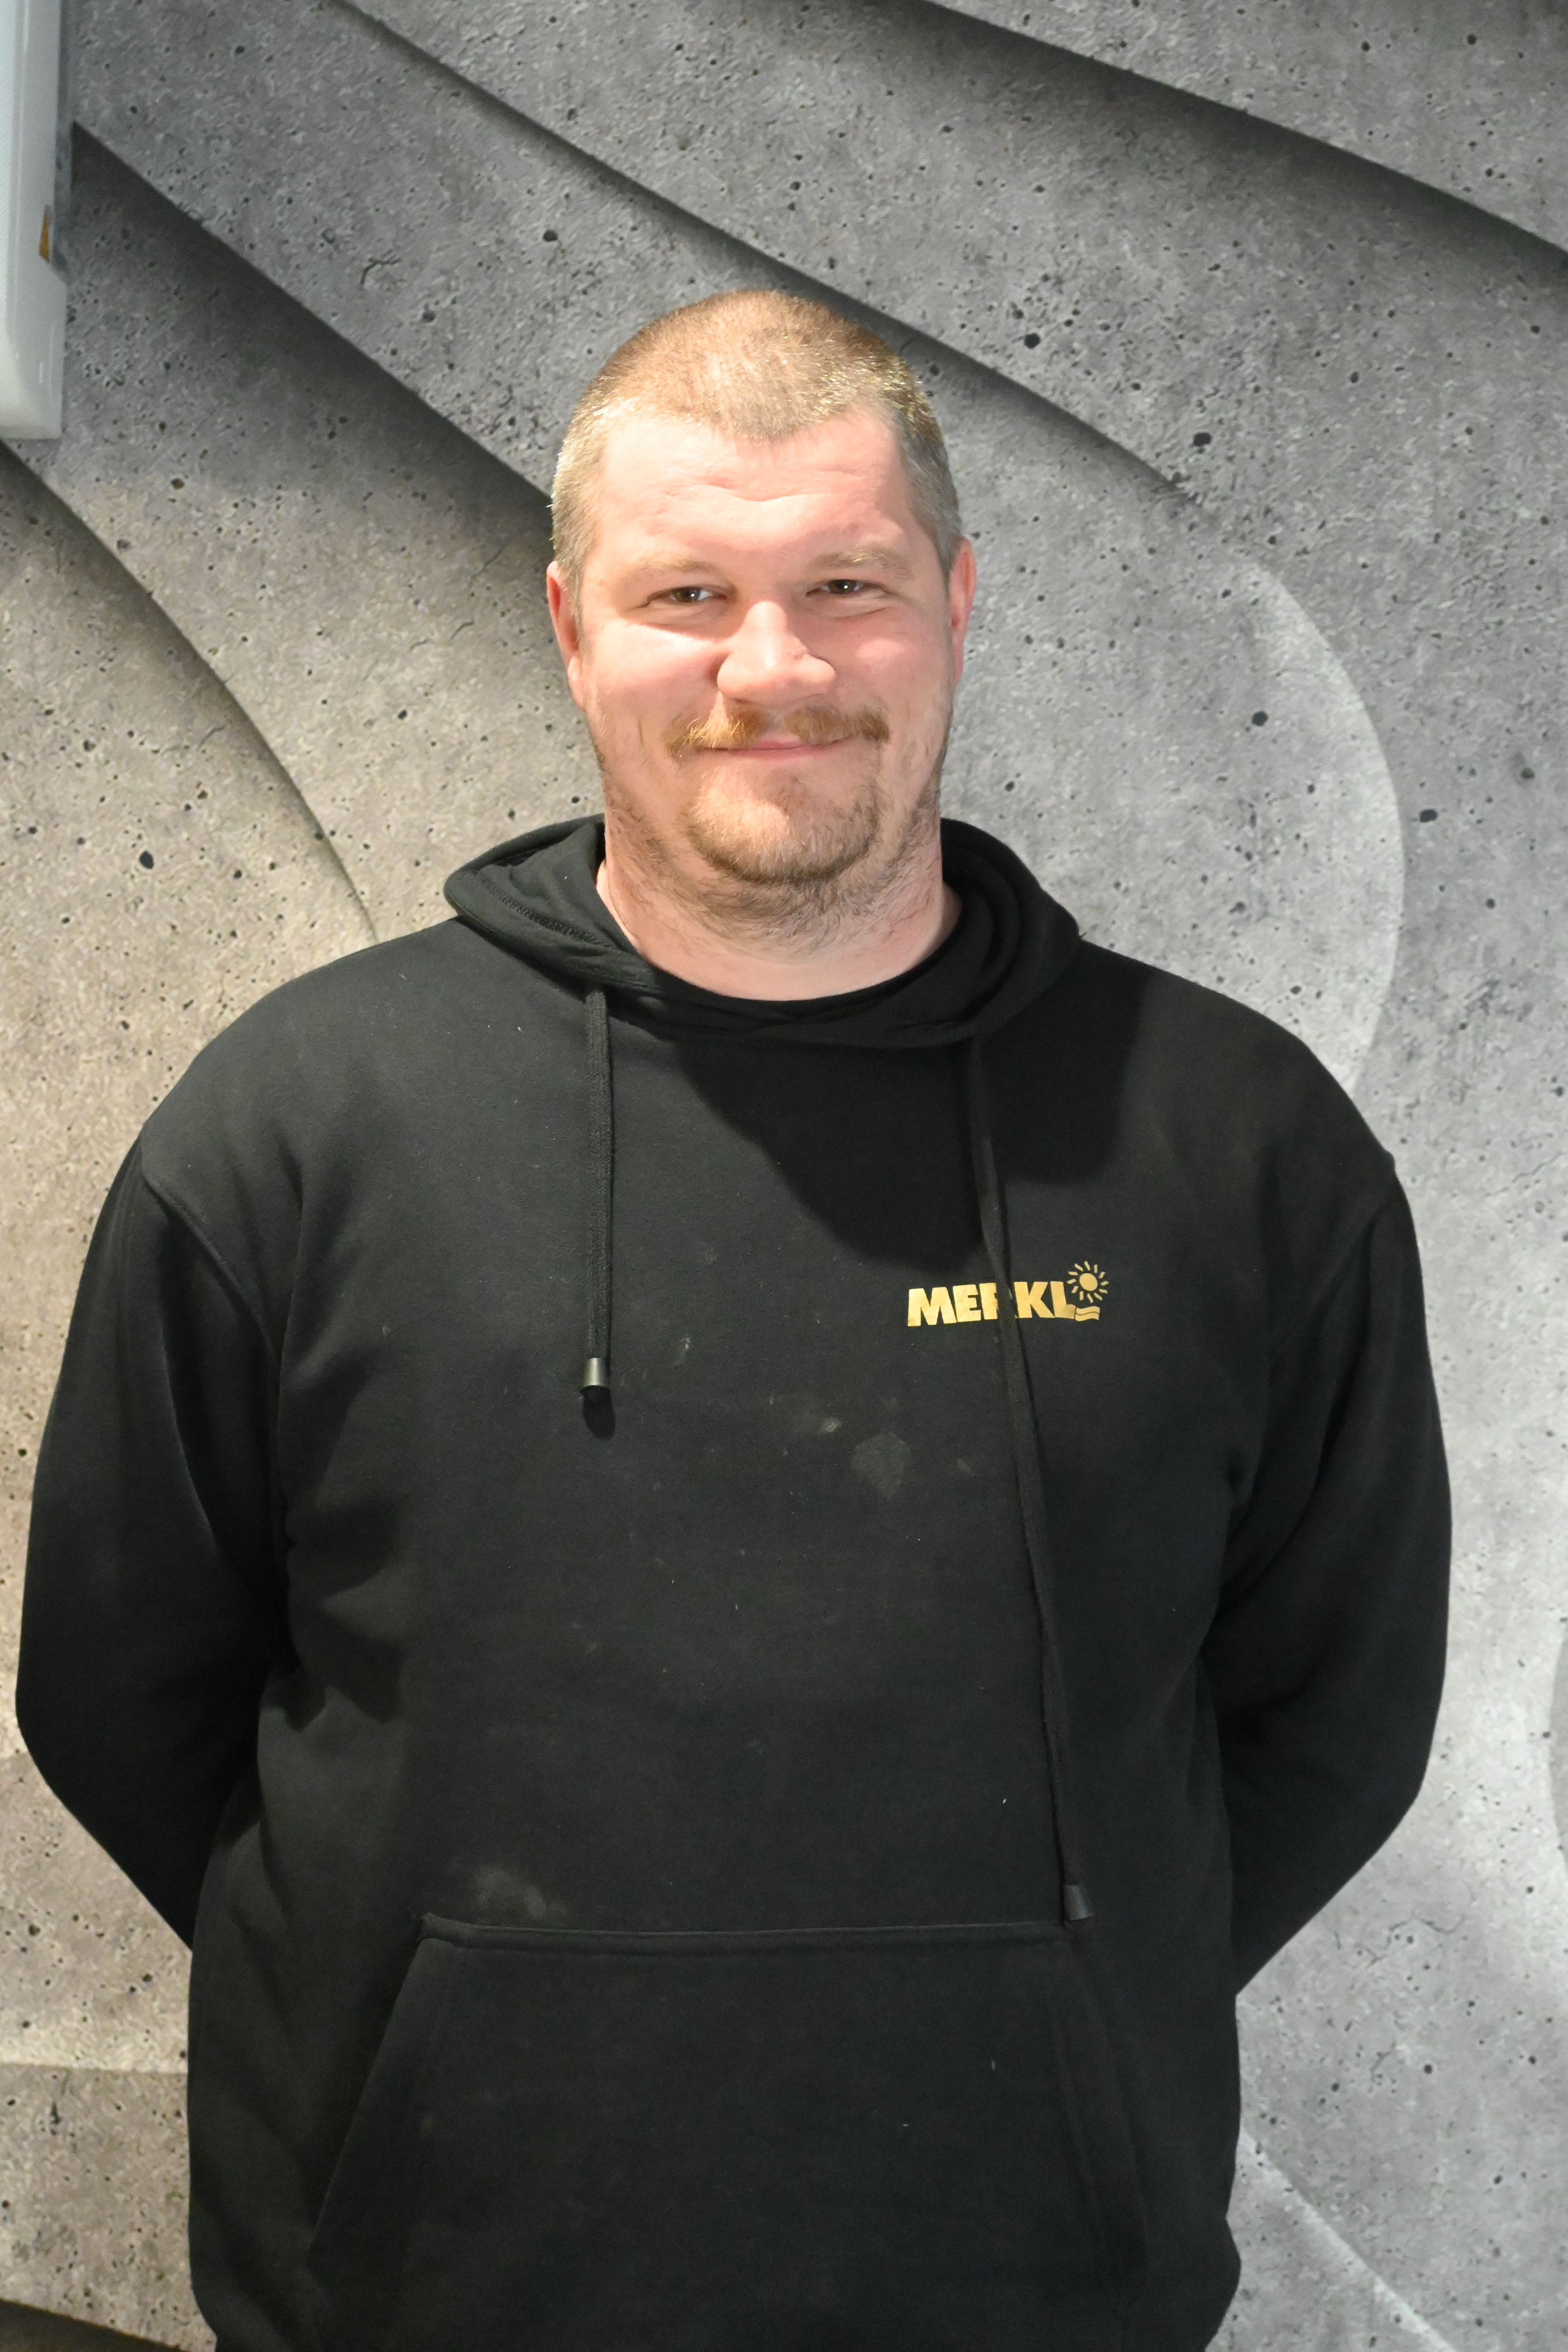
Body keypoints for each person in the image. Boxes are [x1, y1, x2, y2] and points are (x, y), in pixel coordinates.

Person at [18, 290, 1449, 2352]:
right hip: (422, 2291)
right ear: (571, 626)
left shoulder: (1232, 1144)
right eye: (687, 592)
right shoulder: (302, 1127)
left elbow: (1333, 1712)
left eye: (845, 586)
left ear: (954, 603)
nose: (771, 668)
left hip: (1035, 2293)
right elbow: (120, 1690)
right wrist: (422, 2017)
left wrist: (1060, 2006)